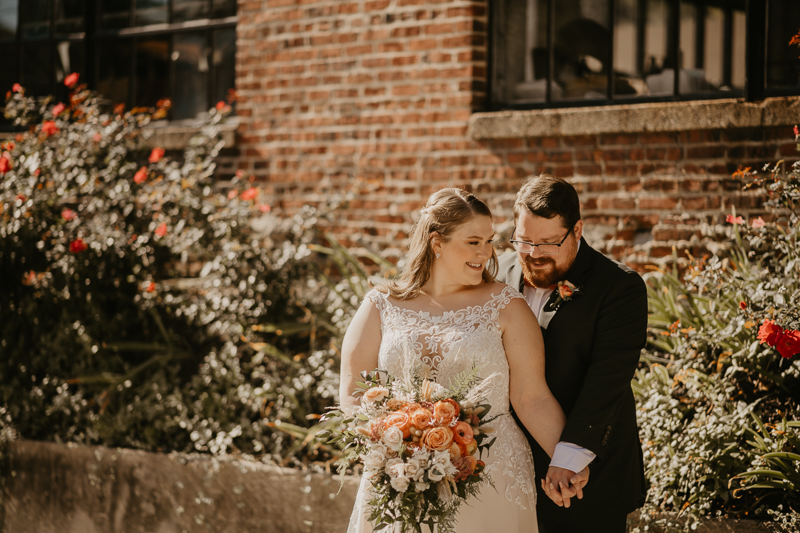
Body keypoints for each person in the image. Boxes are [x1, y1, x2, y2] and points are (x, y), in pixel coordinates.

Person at [339, 188, 588, 533]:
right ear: (436, 243)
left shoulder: (506, 306)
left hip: (490, 475)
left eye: (489, 241)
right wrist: (395, 450)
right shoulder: (380, 304)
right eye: (473, 242)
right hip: (400, 475)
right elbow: (353, 393)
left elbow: (532, 397)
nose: (486, 253)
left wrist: (569, 463)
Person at [496, 174, 648, 533]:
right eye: (524, 240)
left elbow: (606, 382)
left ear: (577, 230)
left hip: (585, 474)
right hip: (505, 470)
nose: (533, 253)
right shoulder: (497, 272)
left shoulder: (619, 288)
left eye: (548, 242)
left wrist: (568, 457)